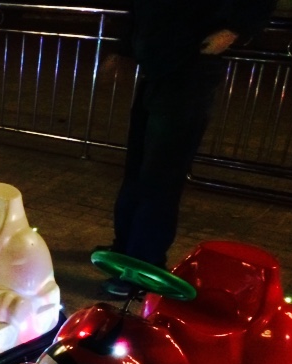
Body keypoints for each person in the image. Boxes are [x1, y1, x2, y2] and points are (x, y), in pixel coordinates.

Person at [100, 0, 277, 297]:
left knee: (160, 176)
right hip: (160, 64)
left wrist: (235, 29)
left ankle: (144, 265)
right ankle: (126, 249)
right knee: (138, 168)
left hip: (190, 66)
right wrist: (125, 48)